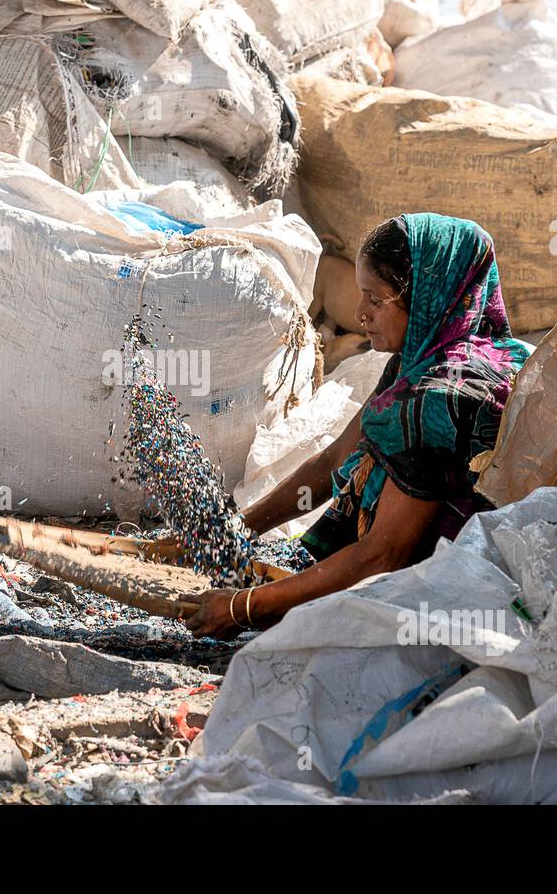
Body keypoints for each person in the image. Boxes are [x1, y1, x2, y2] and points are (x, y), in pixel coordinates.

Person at [180, 213, 531, 640]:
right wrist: (231, 532)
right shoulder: (453, 355)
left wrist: (247, 607)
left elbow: (381, 556)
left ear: (425, 298)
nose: (360, 313)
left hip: (446, 604)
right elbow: (337, 457)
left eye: (376, 300)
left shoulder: (437, 399)